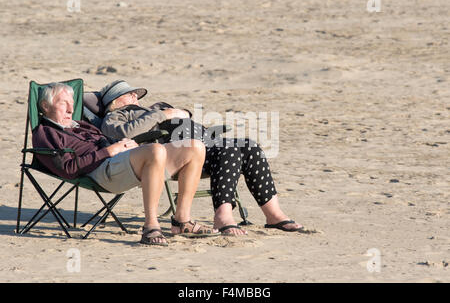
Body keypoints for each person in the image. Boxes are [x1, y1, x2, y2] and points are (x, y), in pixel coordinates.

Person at [100, 80, 304, 236]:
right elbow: (124, 133)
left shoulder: (150, 109)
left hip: (203, 143)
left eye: (136, 94)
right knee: (229, 152)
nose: (136, 96)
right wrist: (164, 114)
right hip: (178, 156)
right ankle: (223, 216)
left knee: (249, 146)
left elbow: (185, 117)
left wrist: (176, 113)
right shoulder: (115, 116)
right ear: (114, 102)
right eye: (129, 94)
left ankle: (274, 215)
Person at [32, 82, 219, 246]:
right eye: (63, 103)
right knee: (155, 150)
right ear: (45, 106)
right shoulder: (46, 133)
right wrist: (110, 150)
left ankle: (182, 221)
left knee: (195, 147)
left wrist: (129, 146)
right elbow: (68, 169)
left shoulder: (81, 125)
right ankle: (150, 226)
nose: (70, 110)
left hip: (121, 160)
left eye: (72, 104)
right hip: (100, 171)